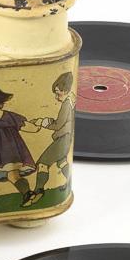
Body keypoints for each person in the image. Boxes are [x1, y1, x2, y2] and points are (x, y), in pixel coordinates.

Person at [23, 71, 75, 207]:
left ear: (65, 90)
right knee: (62, 162)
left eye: (58, 93)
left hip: (62, 139)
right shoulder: (71, 102)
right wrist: (44, 120)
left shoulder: (66, 104)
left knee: (42, 164)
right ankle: (67, 183)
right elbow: (61, 122)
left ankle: (38, 191)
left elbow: (58, 125)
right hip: (67, 138)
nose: (56, 97)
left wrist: (42, 123)